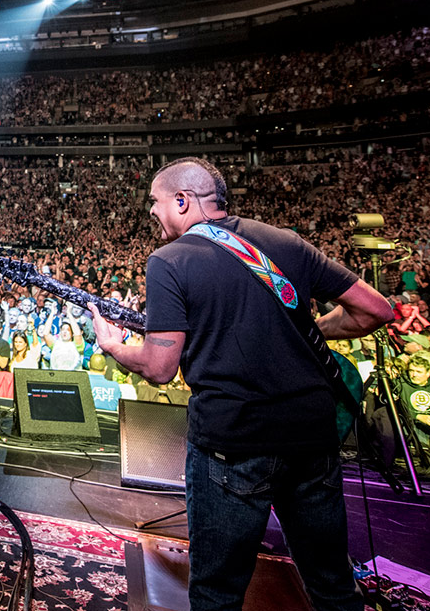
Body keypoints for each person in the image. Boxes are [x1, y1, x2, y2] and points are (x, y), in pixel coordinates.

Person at [91, 157, 394, 611]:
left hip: (233, 445)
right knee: (332, 585)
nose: (152, 212)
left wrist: (114, 347)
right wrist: (308, 331)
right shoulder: (285, 242)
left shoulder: (169, 261)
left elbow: (159, 368)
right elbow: (377, 310)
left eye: (155, 202)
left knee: (218, 592)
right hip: (313, 441)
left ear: (182, 200)